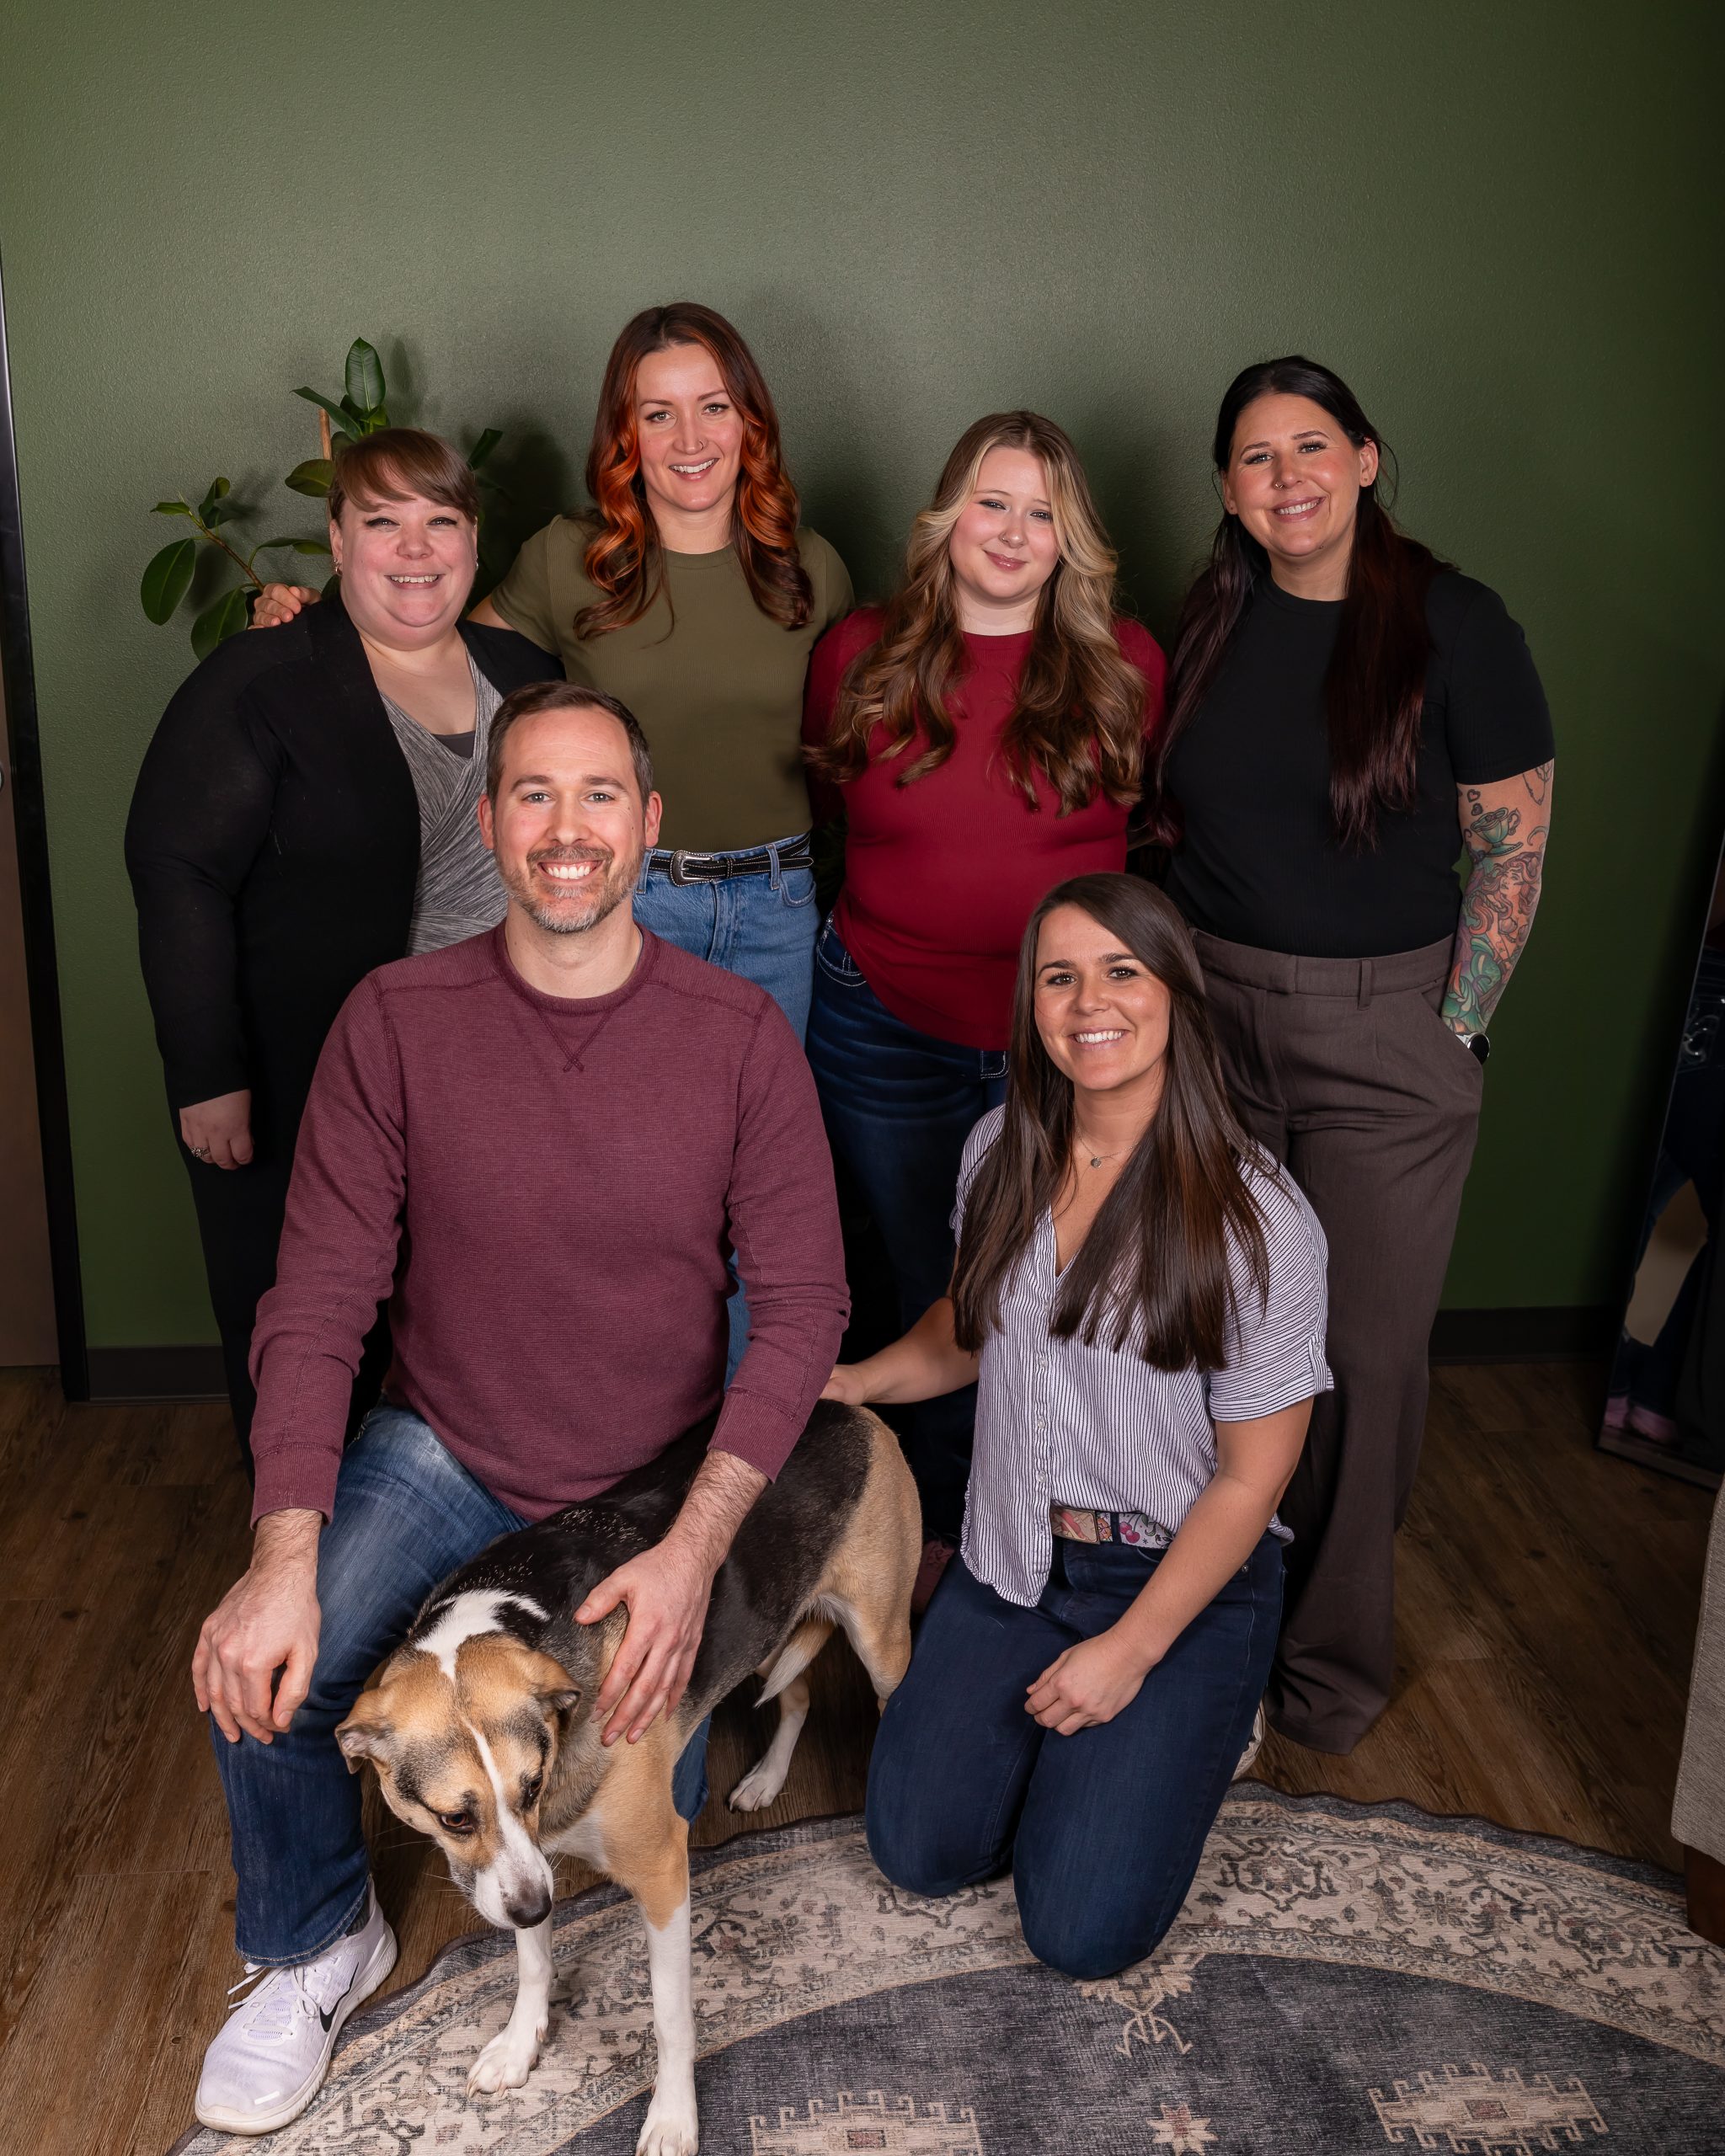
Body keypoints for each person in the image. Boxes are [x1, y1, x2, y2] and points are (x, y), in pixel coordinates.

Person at [186, 680, 847, 2136]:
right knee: (264, 1674)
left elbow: (802, 1307)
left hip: (650, 1475)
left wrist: (689, 1549)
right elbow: (317, 1296)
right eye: (533, 795)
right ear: (490, 825)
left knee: (629, 1761)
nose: (566, 830)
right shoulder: (395, 1021)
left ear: (649, 826)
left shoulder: (737, 1036)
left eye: (599, 795)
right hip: (452, 1449)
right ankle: (312, 1946)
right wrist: (279, 1556)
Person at [1150, 355, 1556, 1754]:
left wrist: (1449, 1031)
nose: (1287, 480)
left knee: (1363, 1360)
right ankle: (1220, 1625)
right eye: (1255, 459)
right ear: (1226, 488)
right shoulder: (1206, 623)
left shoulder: (1453, 622)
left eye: (1310, 447)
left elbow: (1511, 844)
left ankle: (1328, 1667)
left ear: (1366, 458)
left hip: (1389, 1032)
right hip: (1215, 1024)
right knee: (1230, 1347)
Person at [835, 873, 1329, 1979]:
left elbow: (1252, 1482)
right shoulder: (998, 1151)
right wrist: (854, 1381)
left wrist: (1129, 1654)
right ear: (1032, 1004)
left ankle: (1201, 1716)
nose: (1087, 1001)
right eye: (1059, 976)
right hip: (1013, 1558)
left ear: (1176, 998)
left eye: (1121, 971)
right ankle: (1078, 1761)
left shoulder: (1260, 1219)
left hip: (1174, 1576)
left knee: (1080, 1933)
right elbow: (968, 1332)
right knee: (918, 1851)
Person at [126, 429, 561, 1460]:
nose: (415, 549)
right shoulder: (264, 678)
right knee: (315, 1337)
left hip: (497, 1080)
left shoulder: (524, 670)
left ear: (472, 538)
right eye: (382, 522)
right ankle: (306, 1565)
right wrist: (207, 1073)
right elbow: (175, 868)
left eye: (440, 521)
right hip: (306, 1079)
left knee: (476, 1338)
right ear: (335, 539)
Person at [257, 301, 852, 1038]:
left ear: (750, 422)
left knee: (758, 1132)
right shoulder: (570, 557)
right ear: (625, 433)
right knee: (619, 1133)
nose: (690, 439)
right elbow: (432, 657)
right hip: (626, 897)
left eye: (714, 407)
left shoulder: (811, 568)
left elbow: (842, 754)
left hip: (779, 906)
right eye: (658, 414)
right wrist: (312, 628)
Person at [802, 411, 1165, 1585]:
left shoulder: (1125, 665)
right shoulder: (857, 649)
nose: (1014, 533)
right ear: (949, 517)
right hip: (883, 1025)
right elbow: (825, 816)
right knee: (928, 1287)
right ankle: (941, 1544)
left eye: (1043, 512)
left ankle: (1062, 1528)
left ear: (1073, 539)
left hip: (1064, 1043)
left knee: (1055, 1293)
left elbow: (1148, 837)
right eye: (993, 504)